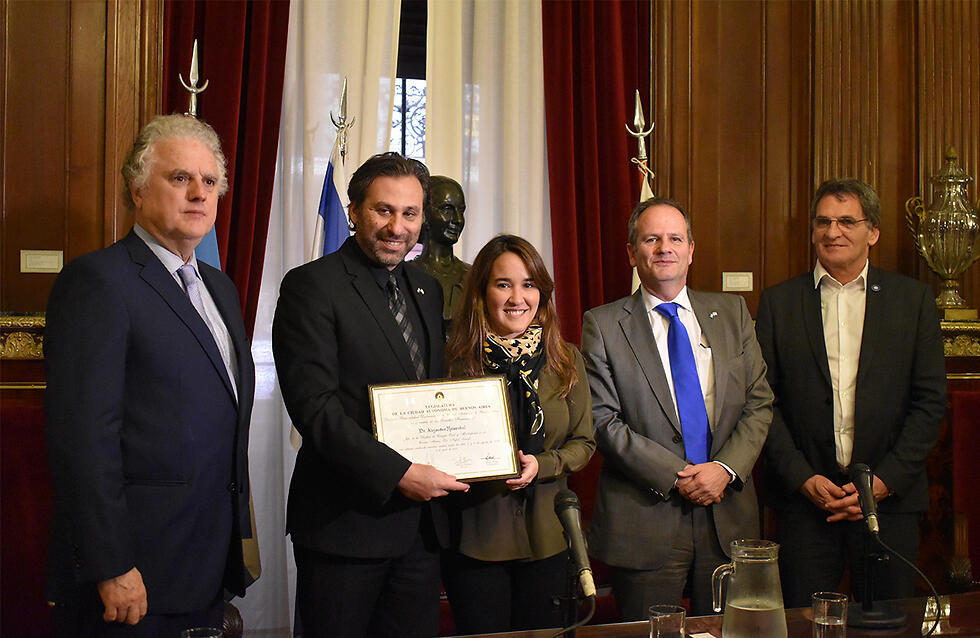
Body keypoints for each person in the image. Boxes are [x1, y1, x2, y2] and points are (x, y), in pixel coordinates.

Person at [44, 114, 257, 637]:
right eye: (180, 178)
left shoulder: (220, 288)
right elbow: (83, 439)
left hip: (207, 557)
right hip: (135, 567)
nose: (199, 193)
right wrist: (111, 564)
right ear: (138, 189)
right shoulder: (98, 282)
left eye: (210, 181)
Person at [272, 152, 470, 638]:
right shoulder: (311, 287)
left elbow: (432, 394)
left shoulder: (426, 288)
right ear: (354, 210)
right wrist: (399, 473)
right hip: (346, 529)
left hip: (421, 531)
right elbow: (316, 410)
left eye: (410, 213)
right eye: (384, 210)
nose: (397, 228)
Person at [756, 178, 946, 608]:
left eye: (846, 221)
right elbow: (763, 403)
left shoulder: (912, 301)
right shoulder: (779, 303)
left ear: (872, 232)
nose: (832, 232)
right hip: (805, 505)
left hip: (888, 506)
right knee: (805, 626)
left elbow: (930, 403)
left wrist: (883, 482)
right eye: (823, 222)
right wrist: (802, 478)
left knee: (889, 626)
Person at [581, 197, 773, 618]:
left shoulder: (733, 313)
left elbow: (759, 402)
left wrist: (724, 469)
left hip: (727, 514)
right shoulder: (603, 324)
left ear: (691, 250)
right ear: (632, 253)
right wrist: (678, 476)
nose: (664, 248)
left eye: (675, 238)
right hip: (645, 519)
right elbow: (602, 420)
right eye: (651, 239)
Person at [441, 235, 596, 633]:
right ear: (482, 292)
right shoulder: (453, 361)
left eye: (528, 285)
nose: (517, 298)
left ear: (542, 294)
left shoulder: (566, 359)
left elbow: (584, 443)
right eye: (503, 284)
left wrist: (543, 464)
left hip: (549, 537)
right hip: (477, 539)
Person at [415, 175, 470, 323]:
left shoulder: (473, 276)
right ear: (423, 214)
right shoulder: (404, 276)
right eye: (447, 210)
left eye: (461, 211)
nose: (458, 219)